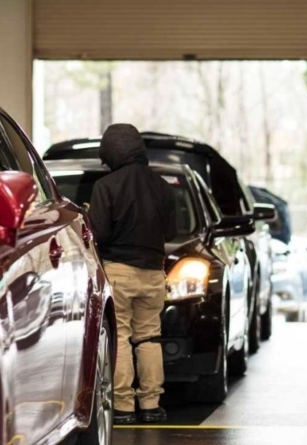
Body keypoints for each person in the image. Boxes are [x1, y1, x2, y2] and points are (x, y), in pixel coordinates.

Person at [88, 124, 176, 425]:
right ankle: (151, 404)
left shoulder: (106, 186)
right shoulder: (162, 186)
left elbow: (99, 233)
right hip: (153, 272)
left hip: (119, 271)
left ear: (111, 151)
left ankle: (123, 407)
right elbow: (172, 232)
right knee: (150, 336)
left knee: (121, 336)